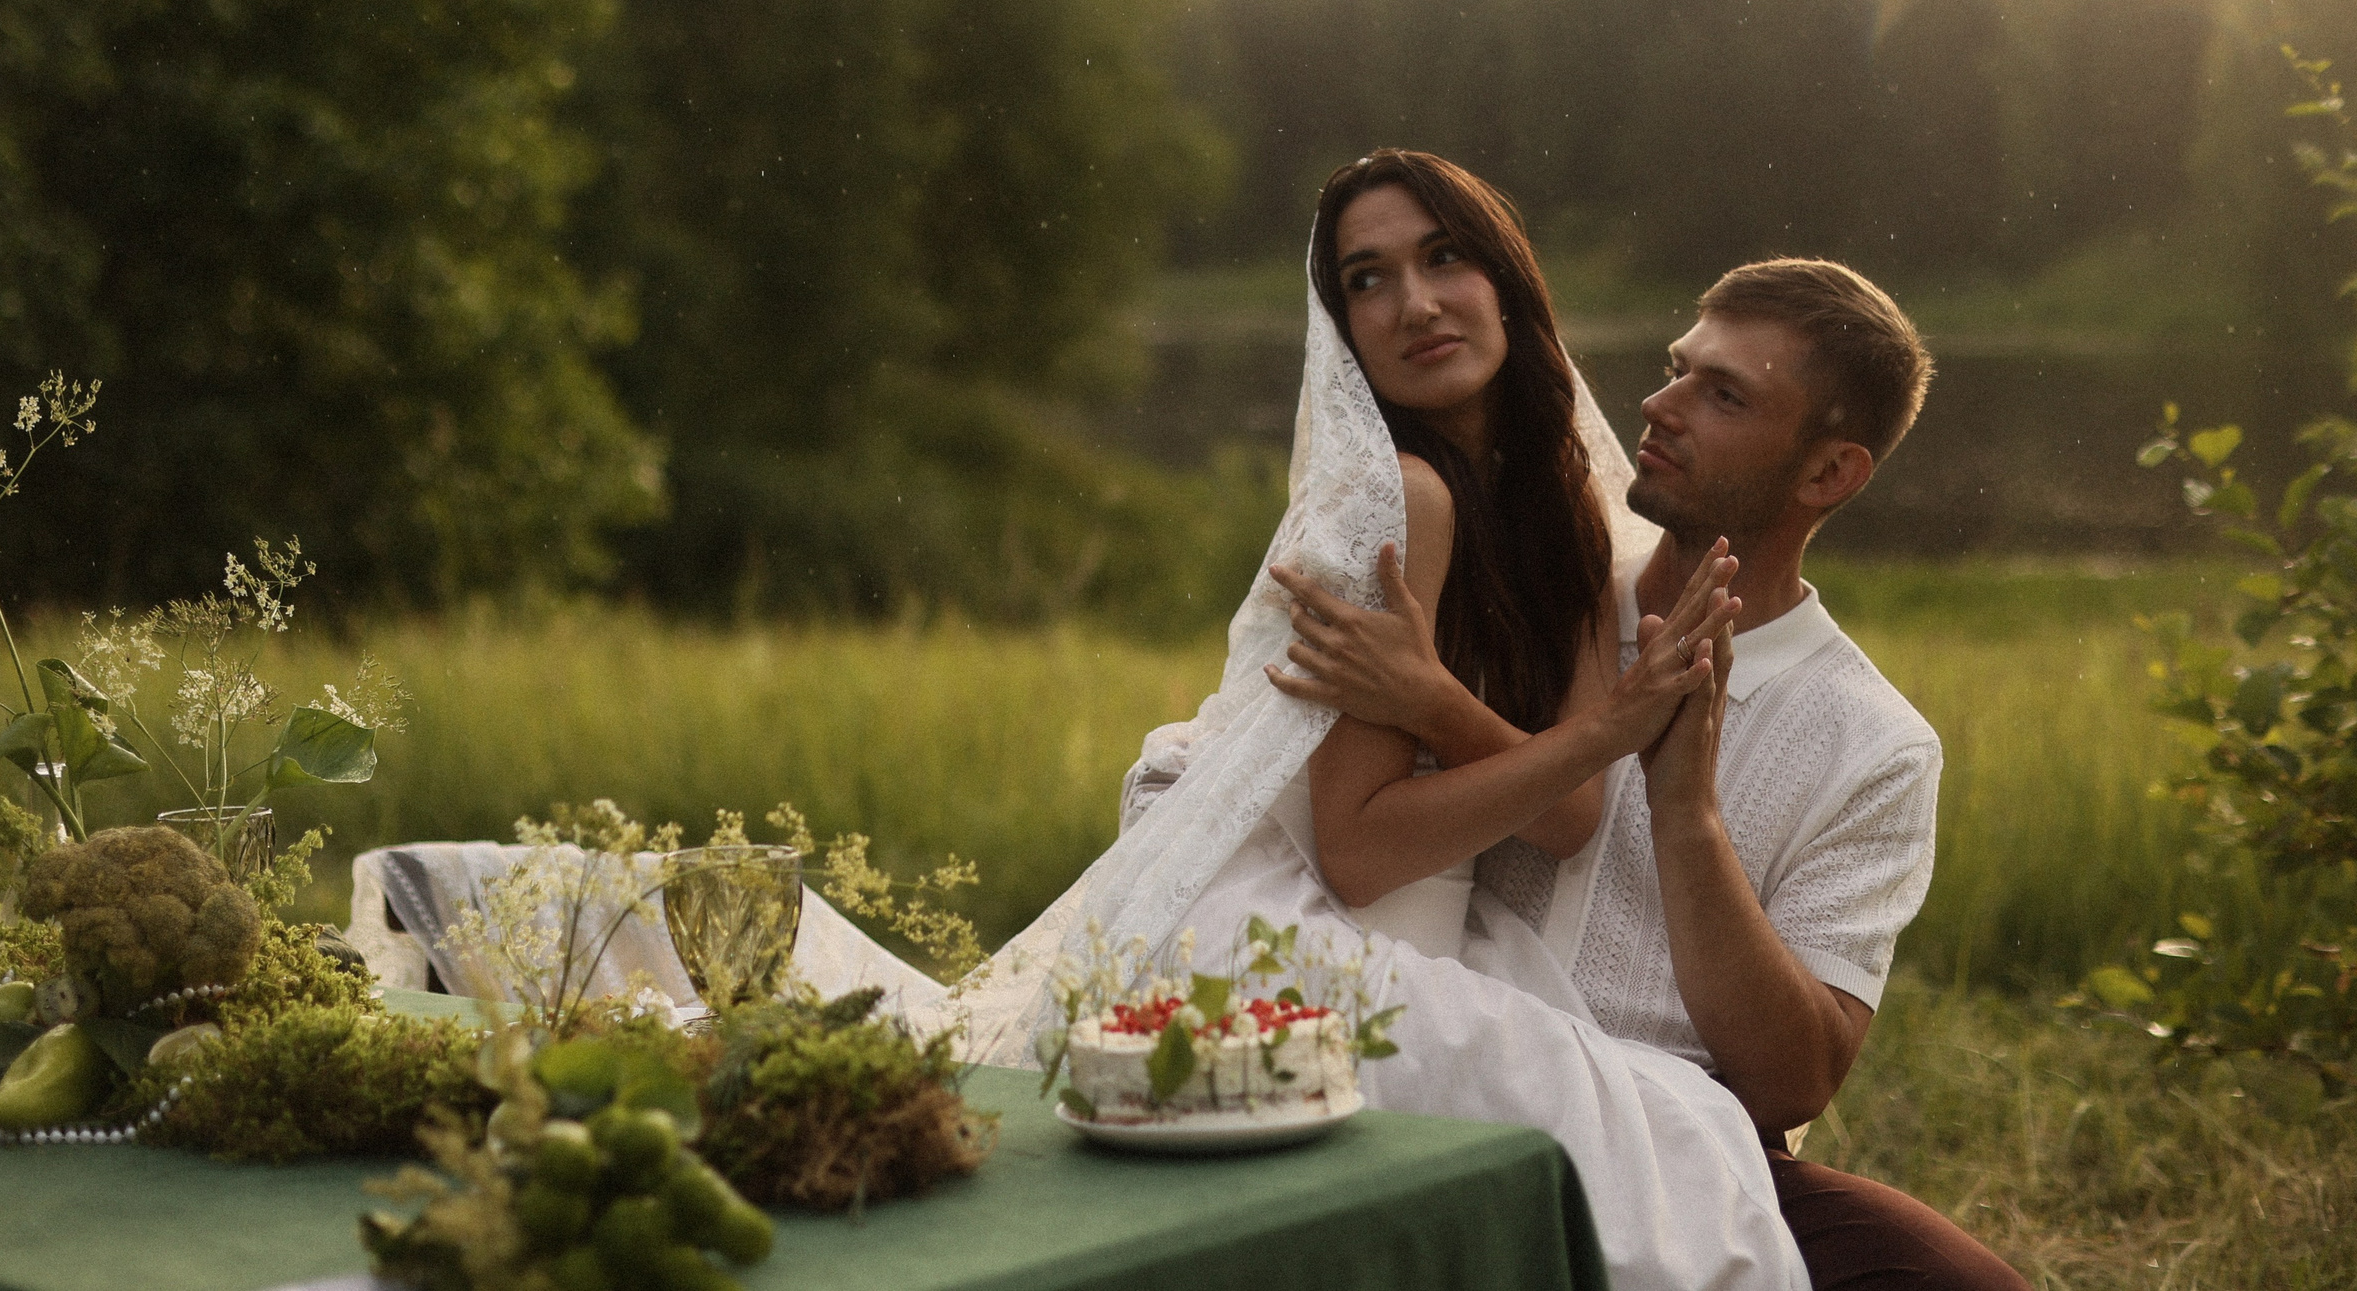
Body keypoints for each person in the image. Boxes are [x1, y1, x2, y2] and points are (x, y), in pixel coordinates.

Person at [824, 150, 1814, 1291]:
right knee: (1655, 1155)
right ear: (1341, 323)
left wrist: (1443, 703)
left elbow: (1570, 819)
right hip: (1287, 928)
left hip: (1428, 924)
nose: (1416, 304)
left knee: (1666, 1137)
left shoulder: (1576, 513)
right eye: (1367, 280)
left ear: (1505, 278)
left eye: (1444, 258)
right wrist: (1605, 727)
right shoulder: (1399, 498)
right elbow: (1355, 850)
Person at [1267, 257, 2030, 1291]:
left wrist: (1689, 817)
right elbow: (1355, 835)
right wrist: (1440, 698)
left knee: (1953, 1283)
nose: (1659, 406)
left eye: (1723, 396)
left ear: (1827, 474)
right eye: (1679, 369)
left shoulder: (1872, 744)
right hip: (1438, 1089)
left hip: (1681, 1140)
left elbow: (1789, 1079)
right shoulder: (1520, 606)